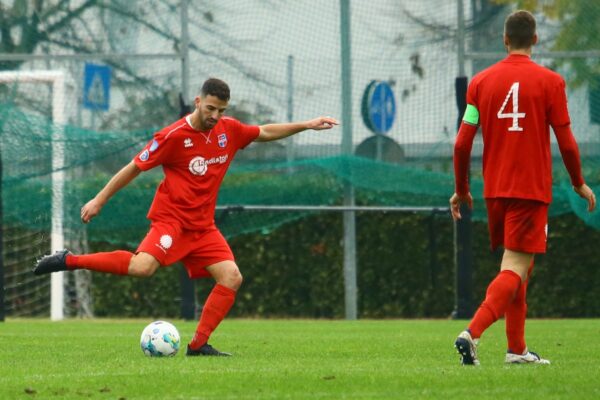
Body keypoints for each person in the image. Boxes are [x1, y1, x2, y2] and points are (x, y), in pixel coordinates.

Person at [34, 77, 338, 356]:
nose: (215, 116)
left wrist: (308, 125)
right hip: (172, 222)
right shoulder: (172, 137)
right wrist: (99, 199)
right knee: (142, 268)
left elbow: (265, 131)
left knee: (231, 277)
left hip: (203, 227)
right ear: (197, 101)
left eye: (221, 110)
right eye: (210, 108)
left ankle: (198, 345)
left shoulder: (228, 130)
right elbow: (133, 168)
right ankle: (69, 260)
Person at [450, 10, 596, 366]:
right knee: (516, 266)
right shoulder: (550, 82)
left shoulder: (480, 83)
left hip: (494, 190)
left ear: (504, 40)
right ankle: (472, 332)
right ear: (535, 39)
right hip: (529, 190)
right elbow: (567, 143)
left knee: (517, 267)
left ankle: (516, 349)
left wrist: (462, 189)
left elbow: (461, 143)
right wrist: (579, 183)